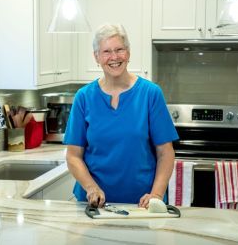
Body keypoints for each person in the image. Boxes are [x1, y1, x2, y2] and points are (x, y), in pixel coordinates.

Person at [64, 24, 178, 208]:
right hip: (95, 206)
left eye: (119, 50)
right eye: (106, 51)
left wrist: (156, 194)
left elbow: (165, 152)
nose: (114, 57)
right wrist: (91, 188)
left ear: (128, 53)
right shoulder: (84, 97)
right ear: (97, 57)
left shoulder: (150, 94)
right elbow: (73, 156)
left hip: (142, 205)